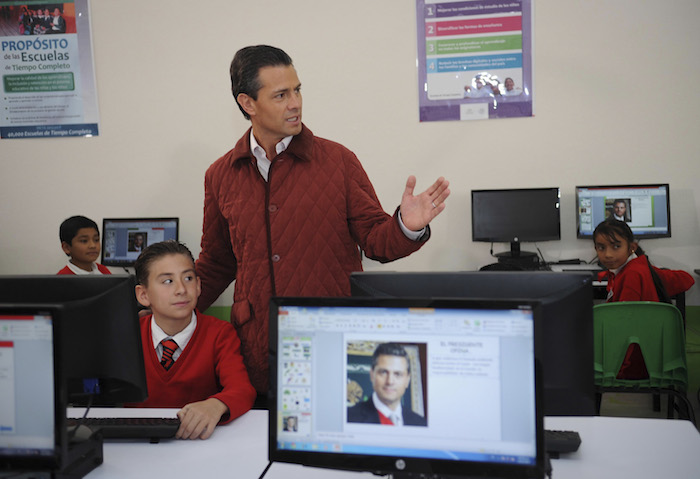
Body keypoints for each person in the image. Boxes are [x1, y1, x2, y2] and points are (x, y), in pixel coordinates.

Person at [195, 45, 450, 395]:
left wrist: (408, 225)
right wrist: (160, 312)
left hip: (334, 340)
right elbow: (216, 263)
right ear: (248, 103)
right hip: (258, 350)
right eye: (281, 94)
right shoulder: (220, 175)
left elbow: (376, 241)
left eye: (297, 90)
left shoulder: (338, 161)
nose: (295, 103)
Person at [130, 240, 256, 440]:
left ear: (198, 286)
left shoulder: (220, 333)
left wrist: (216, 404)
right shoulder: (129, 335)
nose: (181, 289)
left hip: (199, 441)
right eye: (168, 281)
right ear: (143, 295)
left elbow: (242, 389)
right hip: (138, 443)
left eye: (188, 278)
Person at [593, 219, 694, 303]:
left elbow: (625, 318)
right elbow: (687, 278)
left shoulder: (632, 274)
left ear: (632, 247)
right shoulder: (640, 266)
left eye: (616, 246)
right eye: (601, 248)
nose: (608, 255)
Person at [347, 343, 426, 426]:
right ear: (372, 375)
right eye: (383, 372)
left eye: (398, 374)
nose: (390, 381)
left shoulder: (421, 423)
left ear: (407, 380)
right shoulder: (348, 417)